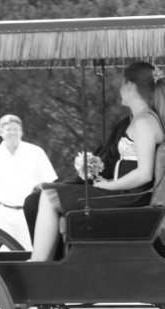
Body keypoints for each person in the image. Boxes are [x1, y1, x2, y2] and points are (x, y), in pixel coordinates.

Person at [30, 61, 165, 262]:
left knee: (49, 196)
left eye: (122, 84)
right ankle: (47, 261)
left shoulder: (145, 122)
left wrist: (110, 186)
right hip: (126, 194)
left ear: (129, 85)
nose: (120, 90)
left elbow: (144, 173)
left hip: (131, 198)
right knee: (50, 193)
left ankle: (38, 263)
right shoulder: (141, 119)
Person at [23, 115, 131, 243]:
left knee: (36, 200)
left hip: (119, 193)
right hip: (104, 183)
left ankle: (45, 259)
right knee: (34, 200)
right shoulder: (125, 124)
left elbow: (108, 165)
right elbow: (105, 160)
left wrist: (107, 183)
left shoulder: (136, 125)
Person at [0, 114, 58, 251]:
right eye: (8, 129)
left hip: (29, 213)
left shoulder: (36, 153)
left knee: (31, 254)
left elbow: (49, 185)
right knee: (2, 255)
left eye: (15, 129)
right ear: (1, 132)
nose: (12, 132)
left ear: (21, 132)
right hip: (1, 214)